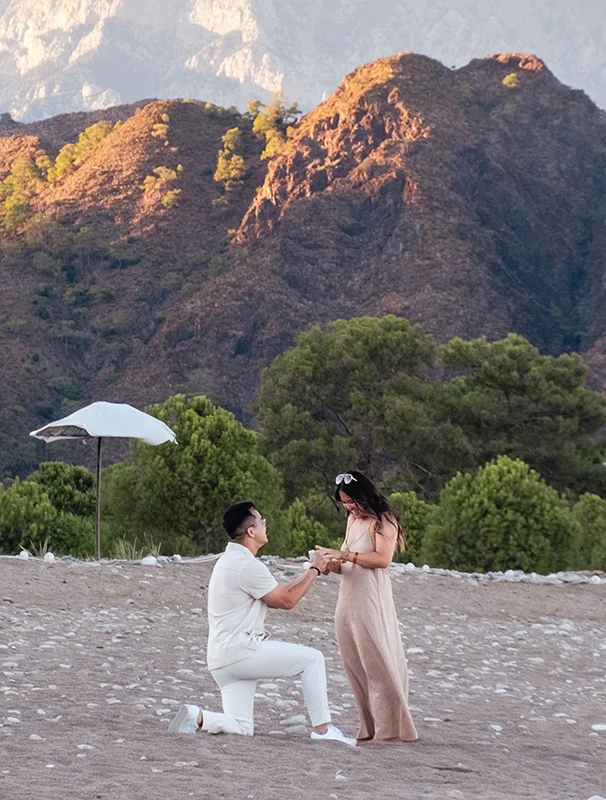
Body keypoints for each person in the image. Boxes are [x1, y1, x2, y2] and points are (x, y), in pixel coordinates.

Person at [168, 501, 356, 746]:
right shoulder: (246, 565)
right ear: (251, 532)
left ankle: (198, 716)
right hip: (241, 653)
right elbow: (287, 600)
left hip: (220, 660)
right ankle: (323, 730)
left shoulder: (230, 560)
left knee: (242, 727)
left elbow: (280, 592)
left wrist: (312, 570)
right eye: (261, 521)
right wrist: (315, 569)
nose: (265, 523)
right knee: (313, 659)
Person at [315, 471, 418, 743]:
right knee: (355, 666)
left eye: (351, 501)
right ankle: (368, 726)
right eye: (344, 503)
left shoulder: (384, 521)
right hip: (347, 600)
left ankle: (390, 729)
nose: (348, 507)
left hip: (371, 600)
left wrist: (344, 555)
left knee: (377, 663)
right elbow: (347, 563)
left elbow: (382, 559)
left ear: (364, 496)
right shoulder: (352, 520)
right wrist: (328, 563)